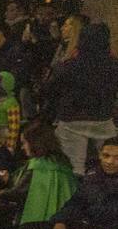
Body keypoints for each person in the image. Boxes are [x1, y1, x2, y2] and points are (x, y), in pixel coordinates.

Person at [42, 21, 118, 176]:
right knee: (107, 167)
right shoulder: (113, 66)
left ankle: (75, 196)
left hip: (72, 121)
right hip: (103, 120)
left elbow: (49, 90)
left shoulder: (68, 66)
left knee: (73, 170)